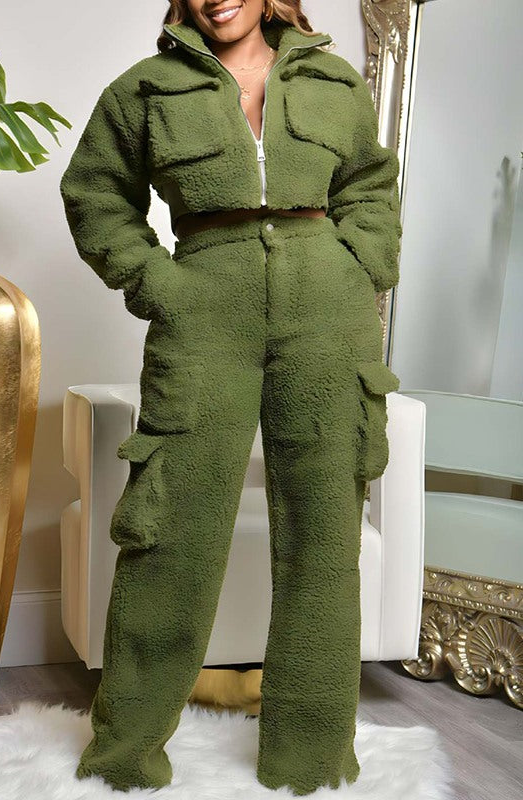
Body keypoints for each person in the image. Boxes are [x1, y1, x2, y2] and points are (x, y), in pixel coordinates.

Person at [59, 0, 402, 794]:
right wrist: (159, 285)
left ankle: (310, 761)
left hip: (328, 314)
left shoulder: (333, 81)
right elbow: (94, 193)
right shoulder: (144, 89)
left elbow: (370, 186)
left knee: (324, 535)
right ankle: (124, 758)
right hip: (203, 309)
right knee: (168, 533)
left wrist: (362, 267)